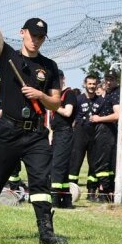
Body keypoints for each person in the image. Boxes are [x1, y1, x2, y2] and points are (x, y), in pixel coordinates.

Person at [0, 0, 66, 244]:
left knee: (40, 184)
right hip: (9, 131)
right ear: (22, 33)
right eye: (32, 34)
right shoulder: (7, 56)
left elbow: (56, 102)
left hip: (36, 133)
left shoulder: (50, 67)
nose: (35, 39)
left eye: (40, 36)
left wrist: (40, 94)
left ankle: (46, 233)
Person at [68, 75, 103, 199]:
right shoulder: (78, 99)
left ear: (97, 85)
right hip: (79, 133)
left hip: (95, 135)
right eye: (90, 84)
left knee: (93, 163)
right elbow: (70, 117)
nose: (92, 86)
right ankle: (71, 190)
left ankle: (91, 192)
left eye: (94, 84)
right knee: (75, 162)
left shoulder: (101, 101)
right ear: (85, 84)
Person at [89, 71, 120, 202]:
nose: (108, 82)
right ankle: (107, 192)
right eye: (107, 79)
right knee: (105, 164)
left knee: (102, 163)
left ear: (117, 80)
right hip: (103, 130)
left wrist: (98, 119)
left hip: (106, 130)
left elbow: (118, 115)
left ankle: (105, 193)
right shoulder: (107, 93)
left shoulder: (116, 94)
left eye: (111, 79)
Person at [49, 70, 77, 208]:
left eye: (58, 79)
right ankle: (66, 199)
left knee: (58, 165)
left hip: (65, 133)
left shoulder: (69, 94)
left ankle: (54, 197)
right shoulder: (55, 95)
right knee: (62, 167)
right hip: (56, 133)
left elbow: (68, 112)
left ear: (63, 79)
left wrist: (54, 105)